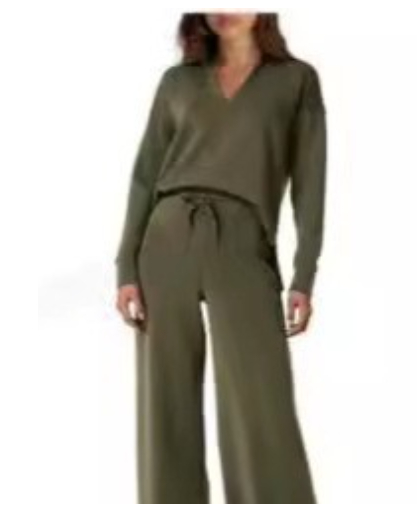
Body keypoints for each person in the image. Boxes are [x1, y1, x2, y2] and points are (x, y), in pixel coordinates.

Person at [114, 11, 327, 504]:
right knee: (165, 403)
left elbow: (310, 185)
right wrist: (126, 266)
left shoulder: (295, 80)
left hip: (244, 242)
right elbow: (144, 176)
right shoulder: (177, 81)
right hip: (166, 237)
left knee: (261, 404)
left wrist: (303, 275)